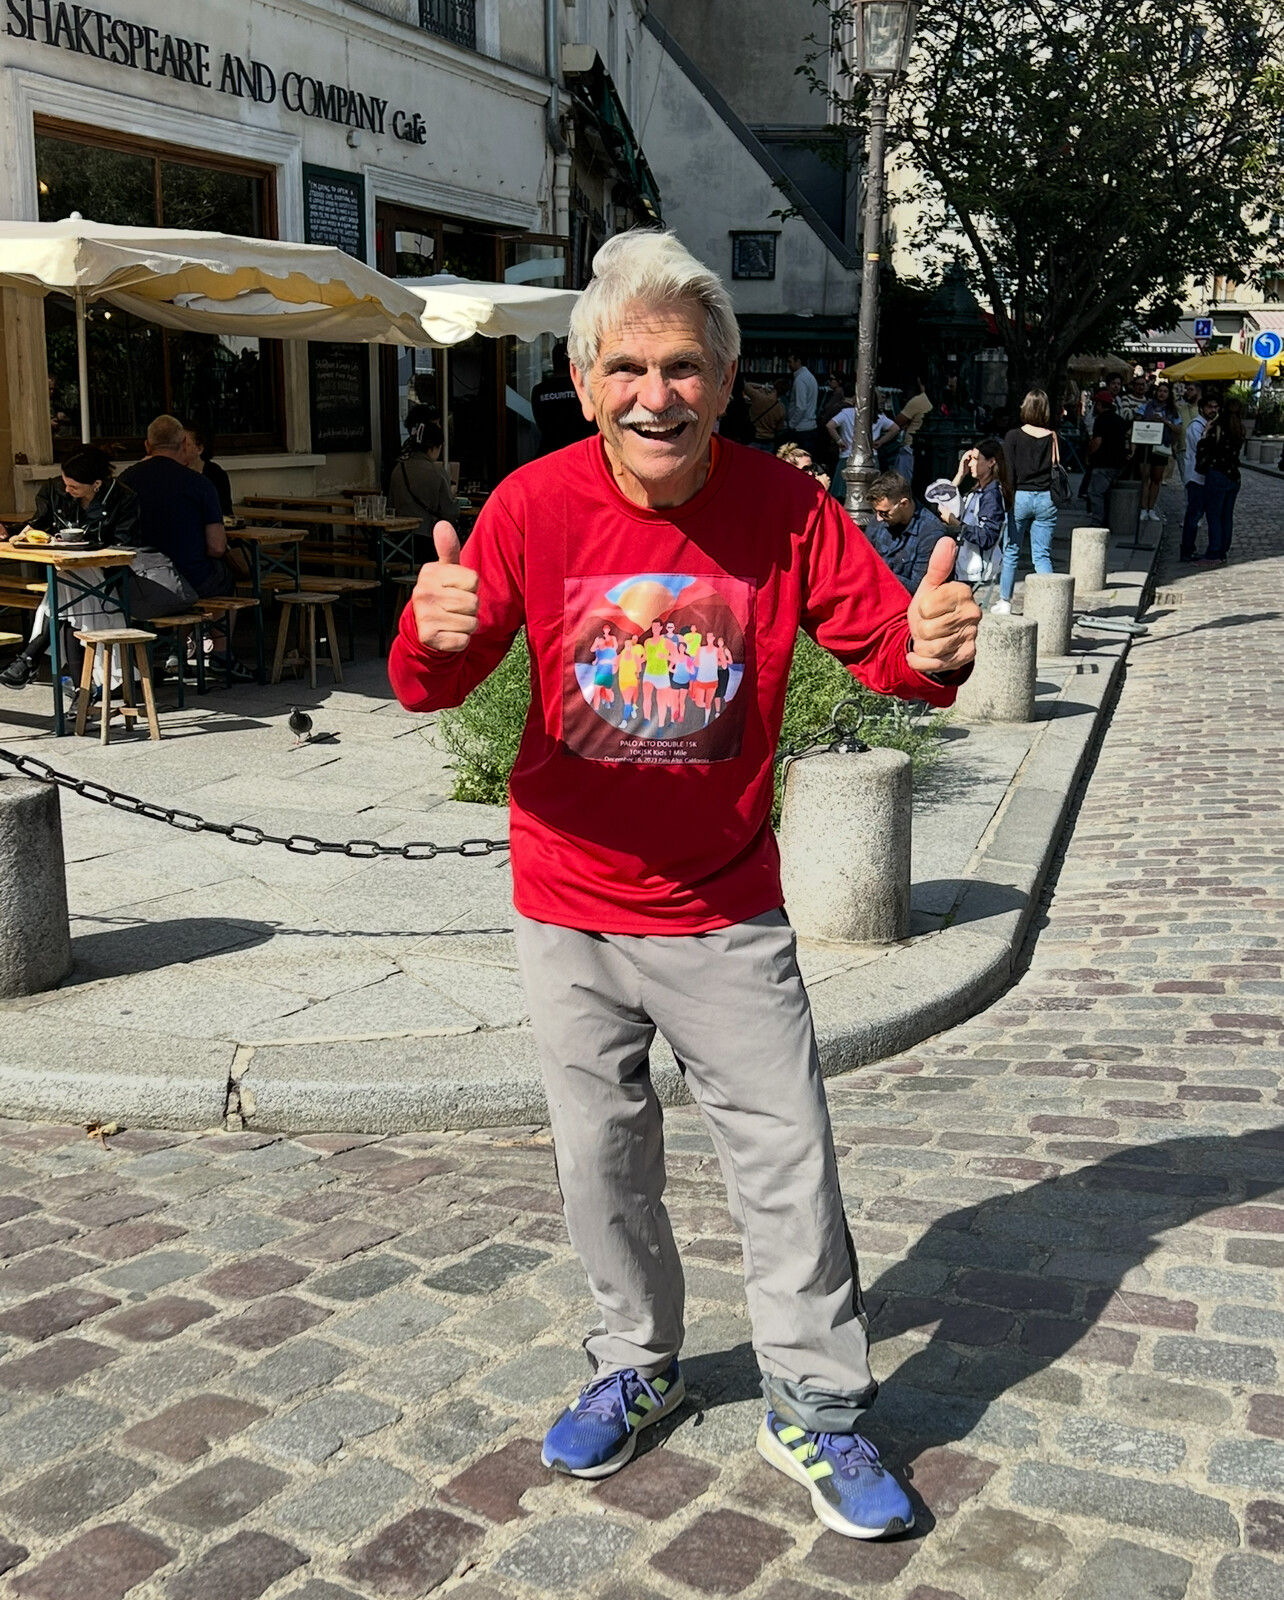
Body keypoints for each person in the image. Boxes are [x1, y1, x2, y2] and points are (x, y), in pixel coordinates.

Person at [390, 228, 978, 1540]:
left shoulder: (786, 510)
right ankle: (635, 1361)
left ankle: (816, 1406)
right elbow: (440, 670)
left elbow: (885, 647)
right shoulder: (532, 506)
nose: (656, 394)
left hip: (724, 905)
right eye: (627, 367)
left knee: (788, 1155)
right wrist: (428, 634)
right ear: (584, 381)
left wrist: (934, 651)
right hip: (569, 903)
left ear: (723, 381)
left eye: (684, 367)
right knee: (600, 1158)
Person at [0, 448, 140, 689]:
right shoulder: (54, 490)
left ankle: (32, 658)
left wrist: (85, 550)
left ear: (96, 484)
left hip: (109, 574)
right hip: (73, 573)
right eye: (65, 483)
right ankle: (77, 688)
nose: (66, 490)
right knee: (72, 591)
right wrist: (12, 533)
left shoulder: (122, 498)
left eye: (74, 487)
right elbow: (38, 525)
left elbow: (123, 545)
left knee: (70, 583)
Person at [119, 414, 246, 677]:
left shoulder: (125, 480)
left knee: (186, 583)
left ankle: (175, 651)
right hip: (192, 577)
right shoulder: (199, 484)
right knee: (223, 578)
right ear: (183, 444)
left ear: (147, 445)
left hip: (140, 580)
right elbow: (217, 547)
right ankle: (221, 654)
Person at [995, 390, 1058, 614]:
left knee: (1011, 550)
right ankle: (1049, 603)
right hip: (1046, 497)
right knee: (1042, 554)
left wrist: (1007, 499)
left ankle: (1005, 601)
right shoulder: (1052, 436)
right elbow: (1056, 466)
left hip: (1020, 495)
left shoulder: (1012, 436)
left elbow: (1008, 472)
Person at [865, 470, 953, 593]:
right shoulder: (879, 520)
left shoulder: (930, 533)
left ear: (904, 504)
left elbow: (919, 588)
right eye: (876, 512)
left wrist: (879, 572)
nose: (879, 517)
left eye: (885, 513)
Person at [940, 438, 1011, 590]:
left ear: (991, 462)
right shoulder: (977, 491)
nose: (970, 464)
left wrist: (955, 523)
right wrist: (960, 475)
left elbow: (987, 537)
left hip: (976, 570)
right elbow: (942, 503)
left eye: (975, 459)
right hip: (964, 567)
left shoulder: (992, 495)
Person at [389, 419, 460, 558]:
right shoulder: (438, 473)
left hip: (399, 542)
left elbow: (391, 505)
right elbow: (449, 512)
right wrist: (454, 498)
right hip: (428, 541)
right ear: (433, 448)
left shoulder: (398, 470)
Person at [1196, 395, 1244, 564]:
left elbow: (1204, 450)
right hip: (1233, 476)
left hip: (1218, 474)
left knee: (1214, 516)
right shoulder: (1240, 429)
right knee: (1226, 516)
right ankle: (1223, 550)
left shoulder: (1218, 428)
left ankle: (1214, 552)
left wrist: (1205, 433)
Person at [532, 343, 598, 455]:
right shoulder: (583, 389)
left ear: (553, 362)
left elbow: (539, 421)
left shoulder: (539, 390)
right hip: (581, 450)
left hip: (549, 449)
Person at [1180, 392, 1220, 562]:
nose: (1213, 410)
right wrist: (1207, 433)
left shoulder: (1214, 425)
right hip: (1196, 477)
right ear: (1202, 408)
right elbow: (1201, 448)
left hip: (1208, 478)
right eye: (1209, 407)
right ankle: (1187, 549)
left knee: (1203, 514)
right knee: (1193, 515)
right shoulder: (1196, 426)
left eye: (1215, 407)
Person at [1082, 388, 1130, 524]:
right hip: (1118, 462)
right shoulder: (1119, 420)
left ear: (1099, 404)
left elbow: (1097, 441)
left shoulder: (1101, 420)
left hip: (1103, 462)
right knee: (1107, 493)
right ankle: (1109, 519)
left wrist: (1088, 454)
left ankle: (1097, 521)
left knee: (1095, 493)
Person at [1139, 380, 1180, 521]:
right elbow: (1137, 420)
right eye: (1160, 391)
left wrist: (1165, 421)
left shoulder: (1172, 411)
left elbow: (1178, 429)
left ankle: (1151, 508)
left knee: (1156, 478)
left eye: (1165, 391)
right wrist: (1149, 419)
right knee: (1144, 478)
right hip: (1145, 446)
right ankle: (1143, 508)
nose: (1162, 394)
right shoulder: (1147, 406)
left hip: (1162, 446)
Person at [183, 425, 233, 520]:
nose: (181, 449)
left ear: (199, 449)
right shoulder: (173, 472)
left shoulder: (216, 474)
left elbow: (225, 511)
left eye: (185, 444)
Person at [892, 376, 932, 482]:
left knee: (903, 482)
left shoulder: (918, 401)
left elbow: (898, 421)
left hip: (910, 447)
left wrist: (907, 423)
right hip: (925, 449)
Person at [785, 352, 819, 451]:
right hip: (809, 426)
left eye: (790, 362)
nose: (788, 365)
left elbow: (801, 407)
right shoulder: (810, 377)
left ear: (798, 361)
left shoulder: (801, 379)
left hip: (801, 428)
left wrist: (791, 424)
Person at [826, 393, 857, 501]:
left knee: (840, 494)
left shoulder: (846, 412)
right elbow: (895, 428)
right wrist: (880, 442)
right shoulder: (878, 415)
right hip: (870, 456)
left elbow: (829, 425)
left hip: (847, 454)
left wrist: (839, 441)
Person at [744, 379, 785, 450]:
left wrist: (763, 386)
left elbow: (747, 386)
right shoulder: (782, 408)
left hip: (754, 437)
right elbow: (779, 428)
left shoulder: (759, 397)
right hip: (769, 440)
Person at [1175, 383, 1201, 483]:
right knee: (1187, 481)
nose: (1188, 392)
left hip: (1199, 450)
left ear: (1198, 391)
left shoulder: (1205, 410)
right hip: (1183, 449)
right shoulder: (1181, 409)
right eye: (1187, 389)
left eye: (1191, 390)